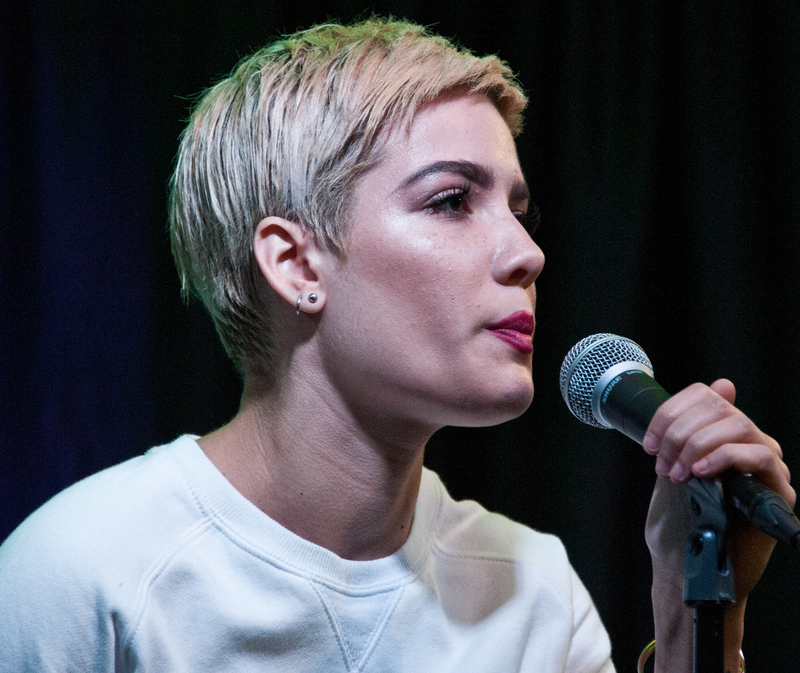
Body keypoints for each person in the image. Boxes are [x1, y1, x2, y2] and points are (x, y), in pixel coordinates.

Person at [0, 17, 793, 672]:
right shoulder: (83, 575)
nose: (527, 254)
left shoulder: (532, 591)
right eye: (452, 201)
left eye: (521, 211)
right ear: (296, 263)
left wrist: (697, 607)